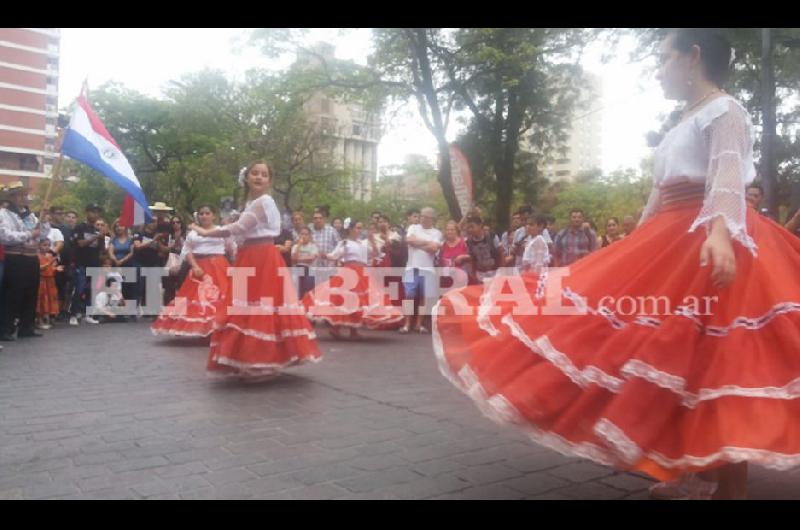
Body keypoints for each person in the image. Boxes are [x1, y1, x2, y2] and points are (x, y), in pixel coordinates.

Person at [432, 29, 800, 500]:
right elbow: (658, 195)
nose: (658, 68)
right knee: (673, 359)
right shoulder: (681, 122)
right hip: (672, 239)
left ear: (693, 56)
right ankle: (697, 470)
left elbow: (727, 175)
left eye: (664, 58)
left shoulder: (724, 110)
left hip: (708, 238)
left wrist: (721, 235)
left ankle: (730, 488)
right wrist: (633, 244)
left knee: (722, 361)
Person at [189, 160, 320, 378]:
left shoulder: (264, 201)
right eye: (255, 173)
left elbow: (239, 228)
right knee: (245, 307)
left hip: (262, 256)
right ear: (247, 178)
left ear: (269, 181)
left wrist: (205, 232)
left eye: (264, 174)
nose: (259, 177)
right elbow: (239, 229)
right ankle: (248, 359)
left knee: (260, 306)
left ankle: (261, 361)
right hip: (248, 256)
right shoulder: (250, 204)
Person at [303, 218, 404, 339]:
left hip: (362, 273)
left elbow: (376, 254)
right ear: (350, 229)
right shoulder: (345, 243)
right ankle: (336, 328)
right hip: (349, 273)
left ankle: (352, 330)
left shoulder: (363, 243)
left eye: (361, 228)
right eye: (357, 228)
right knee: (344, 300)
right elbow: (334, 255)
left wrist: (372, 241)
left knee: (358, 302)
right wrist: (323, 255)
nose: (360, 230)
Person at [153, 205, 234, 337]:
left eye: (207, 213)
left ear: (213, 215)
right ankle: (202, 328)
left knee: (220, 297)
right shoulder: (193, 234)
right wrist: (195, 266)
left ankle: (219, 328)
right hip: (199, 267)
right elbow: (187, 251)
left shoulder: (221, 231)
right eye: (201, 213)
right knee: (197, 299)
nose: (204, 216)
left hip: (219, 266)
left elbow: (231, 248)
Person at [0, 181, 48, 340]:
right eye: (20, 194)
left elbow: (41, 235)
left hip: (32, 258)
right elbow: (5, 236)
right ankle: (6, 328)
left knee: (31, 292)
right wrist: (29, 235)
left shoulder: (31, 215)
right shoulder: (3, 214)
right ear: (12, 197)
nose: (24, 198)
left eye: (25, 194)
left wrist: (44, 221)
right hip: (15, 257)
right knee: (13, 293)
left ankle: (26, 326)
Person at [400, 207, 442, 334]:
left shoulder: (437, 233)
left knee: (424, 298)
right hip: (411, 267)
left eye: (425, 216)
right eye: (421, 215)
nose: (422, 218)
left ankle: (418, 324)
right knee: (409, 295)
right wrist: (427, 243)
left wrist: (417, 243)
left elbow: (434, 249)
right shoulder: (413, 228)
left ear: (432, 219)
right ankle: (407, 324)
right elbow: (409, 240)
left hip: (428, 269)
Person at [69, 203, 105, 326]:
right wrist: (96, 237)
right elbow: (80, 243)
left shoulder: (97, 230)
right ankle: (73, 314)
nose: (95, 214)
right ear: (87, 212)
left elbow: (101, 250)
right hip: (81, 263)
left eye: (97, 212)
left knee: (92, 290)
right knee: (79, 289)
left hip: (94, 264)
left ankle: (88, 314)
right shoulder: (80, 228)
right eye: (93, 211)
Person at [465, 215, 500, 284]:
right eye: (468, 227)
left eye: (472, 227)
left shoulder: (492, 236)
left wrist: (502, 271)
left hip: (495, 272)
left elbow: (501, 253)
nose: (470, 230)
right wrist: (473, 273)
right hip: (480, 274)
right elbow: (472, 258)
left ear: (480, 226)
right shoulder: (469, 242)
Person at [36, 239, 62, 330]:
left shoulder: (50, 256)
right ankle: (39, 320)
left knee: (50, 300)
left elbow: (52, 267)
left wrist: (56, 268)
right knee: (41, 300)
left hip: (50, 281)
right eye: (44, 245)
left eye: (48, 245)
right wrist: (49, 263)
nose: (46, 247)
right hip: (41, 280)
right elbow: (39, 268)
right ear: (39, 246)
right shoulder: (37, 256)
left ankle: (48, 318)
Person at [291, 227, 318, 300]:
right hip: (298, 269)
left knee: (308, 291)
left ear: (309, 236)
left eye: (306, 234)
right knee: (296, 291)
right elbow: (293, 259)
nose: (304, 236)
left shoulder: (313, 246)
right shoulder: (295, 247)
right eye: (302, 234)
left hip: (309, 270)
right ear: (299, 235)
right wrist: (299, 245)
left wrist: (299, 258)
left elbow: (310, 259)